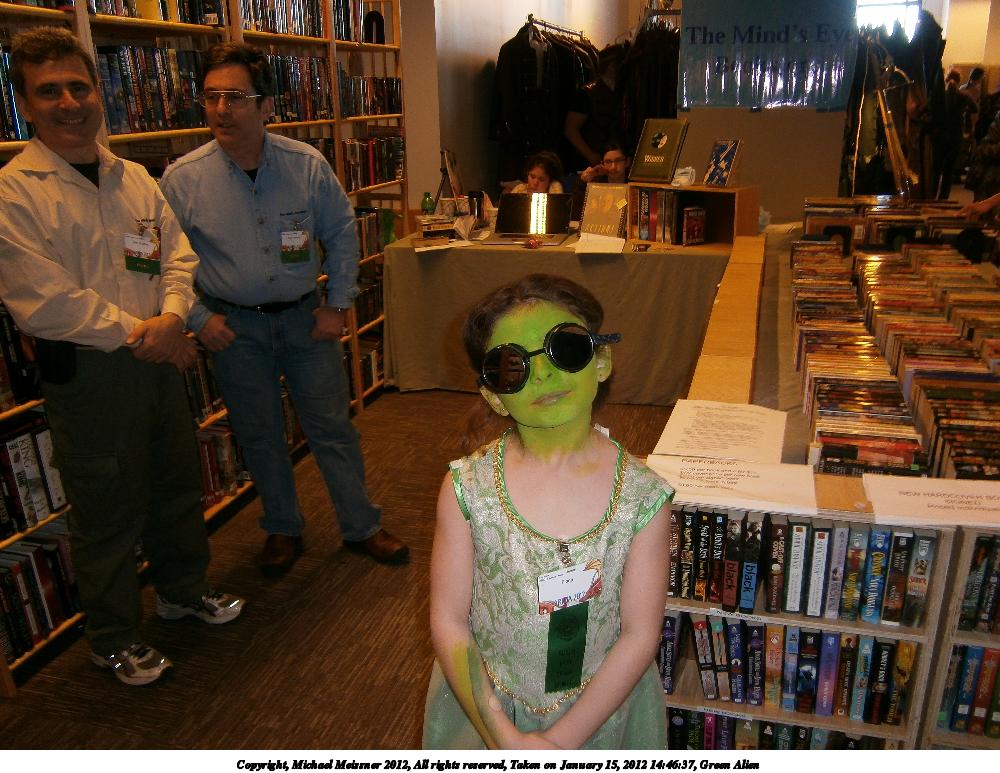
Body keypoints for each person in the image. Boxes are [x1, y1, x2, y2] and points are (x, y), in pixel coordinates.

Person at [0, 27, 243, 686]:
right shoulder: (14, 192)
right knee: (106, 508)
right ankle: (112, 638)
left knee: (175, 484)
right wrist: (148, 331)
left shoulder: (133, 177)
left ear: (97, 92)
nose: (69, 103)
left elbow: (177, 256)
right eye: (49, 91)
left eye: (79, 87)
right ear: (24, 104)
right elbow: (44, 301)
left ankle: (182, 591)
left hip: (159, 353)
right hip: (92, 372)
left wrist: (172, 316)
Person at [160, 43, 408, 576]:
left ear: (267, 105)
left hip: (305, 321)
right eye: (211, 97)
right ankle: (282, 527)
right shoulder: (182, 180)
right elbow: (165, 260)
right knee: (259, 433)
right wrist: (200, 319)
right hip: (234, 329)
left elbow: (341, 235)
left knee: (332, 428)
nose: (222, 109)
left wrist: (337, 304)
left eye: (236, 97)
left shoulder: (306, 166)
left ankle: (362, 525)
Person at [423, 274, 672, 749]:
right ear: (493, 395)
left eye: (565, 349)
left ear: (601, 360)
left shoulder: (644, 499)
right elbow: (449, 621)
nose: (543, 375)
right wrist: (502, 736)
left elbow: (640, 634)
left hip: (601, 710)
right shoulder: (467, 491)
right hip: (488, 709)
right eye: (512, 366)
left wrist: (561, 741)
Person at [938, 69, 978, 199]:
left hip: (942, 134)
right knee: (949, 169)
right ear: (959, 80)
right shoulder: (962, 96)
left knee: (938, 166)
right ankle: (944, 197)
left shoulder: (942, 96)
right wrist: (964, 110)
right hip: (956, 134)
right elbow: (975, 108)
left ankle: (932, 194)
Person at [570, 140, 631, 221]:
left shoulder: (634, 187)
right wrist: (582, 182)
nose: (613, 167)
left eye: (618, 160)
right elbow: (576, 216)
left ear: (627, 162)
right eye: (608, 162)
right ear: (602, 164)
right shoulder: (596, 186)